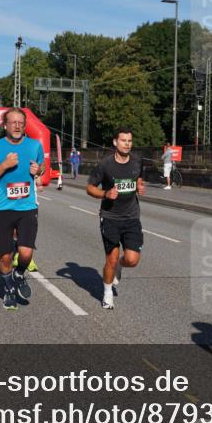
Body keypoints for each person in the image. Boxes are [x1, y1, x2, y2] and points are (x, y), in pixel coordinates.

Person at [0, 108, 45, 311]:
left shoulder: (34, 145)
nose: (17, 126)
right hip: (3, 208)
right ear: (5, 125)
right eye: (13, 122)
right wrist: (4, 165)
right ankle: (9, 289)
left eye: (21, 122)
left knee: (26, 254)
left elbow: (42, 168)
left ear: (25, 125)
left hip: (27, 207)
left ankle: (18, 274)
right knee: (5, 256)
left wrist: (39, 170)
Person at [86, 128, 146, 309]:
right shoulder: (105, 165)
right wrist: (105, 193)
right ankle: (107, 293)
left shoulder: (137, 161)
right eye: (123, 140)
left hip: (132, 217)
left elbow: (138, 178)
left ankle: (120, 266)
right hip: (110, 217)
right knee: (110, 259)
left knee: (132, 260)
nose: (127, 144)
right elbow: (89, 188)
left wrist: (139, 187)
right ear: (115, 142)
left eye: (129, 140)